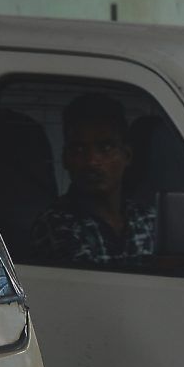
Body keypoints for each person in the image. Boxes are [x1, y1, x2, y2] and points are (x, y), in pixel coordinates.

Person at [32, 95, 156, 266]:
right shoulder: (57, 224)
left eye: (105, 147)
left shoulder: (147, 219)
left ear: (126, 155)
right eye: (79, 149)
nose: (91, 161)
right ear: (66, 159)